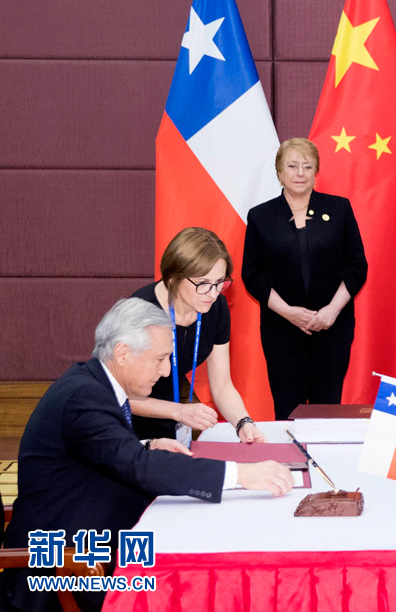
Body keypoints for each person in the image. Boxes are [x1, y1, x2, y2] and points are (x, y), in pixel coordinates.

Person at [0, 299, 292, 612]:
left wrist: (147, 443)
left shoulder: (93, 384)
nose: (166, 371)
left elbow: (99, 449)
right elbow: (137, 466)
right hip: (65, 570)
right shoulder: (84, 396)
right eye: (160, 359)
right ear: (123, 352)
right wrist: (240, 475)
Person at [243, 138, 367, 420]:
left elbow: (357, 267)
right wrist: (289, 312)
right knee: (288, 410)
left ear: (316, 171)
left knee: (327, 409)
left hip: (332, 327)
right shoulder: (261, 216)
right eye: (292, 166)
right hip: (281, 329)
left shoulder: (340, 209)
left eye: (307, 166)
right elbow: (252, 275)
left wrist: (331, 311)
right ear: (279, 172)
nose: (300, 173)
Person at [130, 227, 266, 444]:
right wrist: (178, 411)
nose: (213, 294)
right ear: (173, 279)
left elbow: (222, 386)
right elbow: (120, 397)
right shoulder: (139, 313)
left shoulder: (215, 307)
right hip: (126, 429)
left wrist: (244, 423)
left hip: (172, 423)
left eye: (219, 282)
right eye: (203, 284)